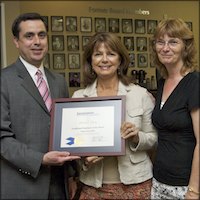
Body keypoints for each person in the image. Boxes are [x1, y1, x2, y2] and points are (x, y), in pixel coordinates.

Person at [0, 12, 80, 200]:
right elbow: (2, 138)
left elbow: (65, 130)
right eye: (29, 36)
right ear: (16, 41)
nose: (37, 41)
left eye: (41, 35)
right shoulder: (4, 80)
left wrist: (71, 175)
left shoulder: (59, 81)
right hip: (23, 185)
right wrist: (40, 159)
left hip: (60, 185)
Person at [72, 32, 157, 199]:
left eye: (111, 54)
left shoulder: (140, 95)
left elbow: (155, 139)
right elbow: (74, 144)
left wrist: (136, 137)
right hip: (93, 186)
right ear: (91, 60)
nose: (104, 59)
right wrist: (84, 159)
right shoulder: (79, 98)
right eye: (98, 54)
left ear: (120, 60)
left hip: (136, 183)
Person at [150, 18, 199, 199]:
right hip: (159, 181)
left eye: (173, 42)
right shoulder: (163, 83)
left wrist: (194, 191)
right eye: (160, 42)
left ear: (185, 46)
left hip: (185, 186)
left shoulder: (195, 83)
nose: (165, 48)